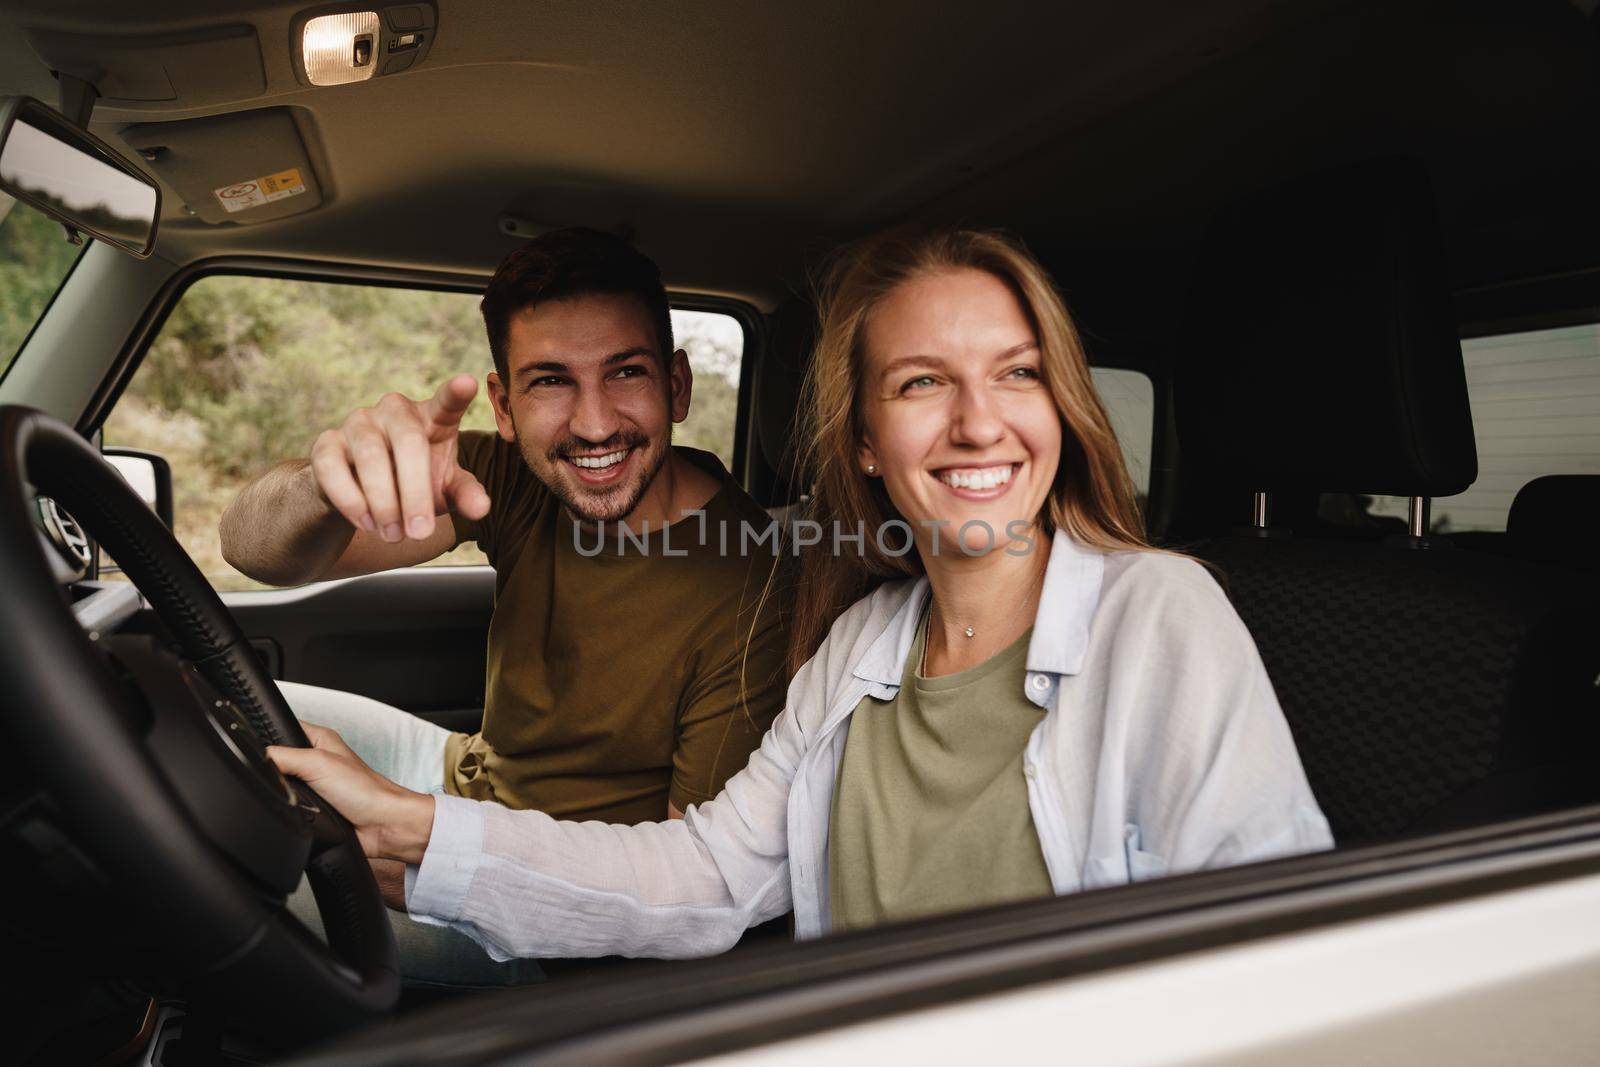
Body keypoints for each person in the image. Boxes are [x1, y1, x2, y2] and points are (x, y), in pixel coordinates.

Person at [268, 225, 1332, 959]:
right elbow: (708, 876)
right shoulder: (864, 641)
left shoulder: (1162, 614)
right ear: (865, 442)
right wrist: (429, 836)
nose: (977, 423)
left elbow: (1279, 966)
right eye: (923, 382)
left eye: (1016, 372)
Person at [222, 228, 791, 978]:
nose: (593, 423)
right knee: (210, 704)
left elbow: (680, 887)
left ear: (676, 386)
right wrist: (326, 488)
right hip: (458, 771)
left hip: (530, 898)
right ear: (505, 403)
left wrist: (434, 842)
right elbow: (253, 549)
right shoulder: (518, 480)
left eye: (625, 372)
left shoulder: (754, 588)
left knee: (211, 857)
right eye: (551, 380)